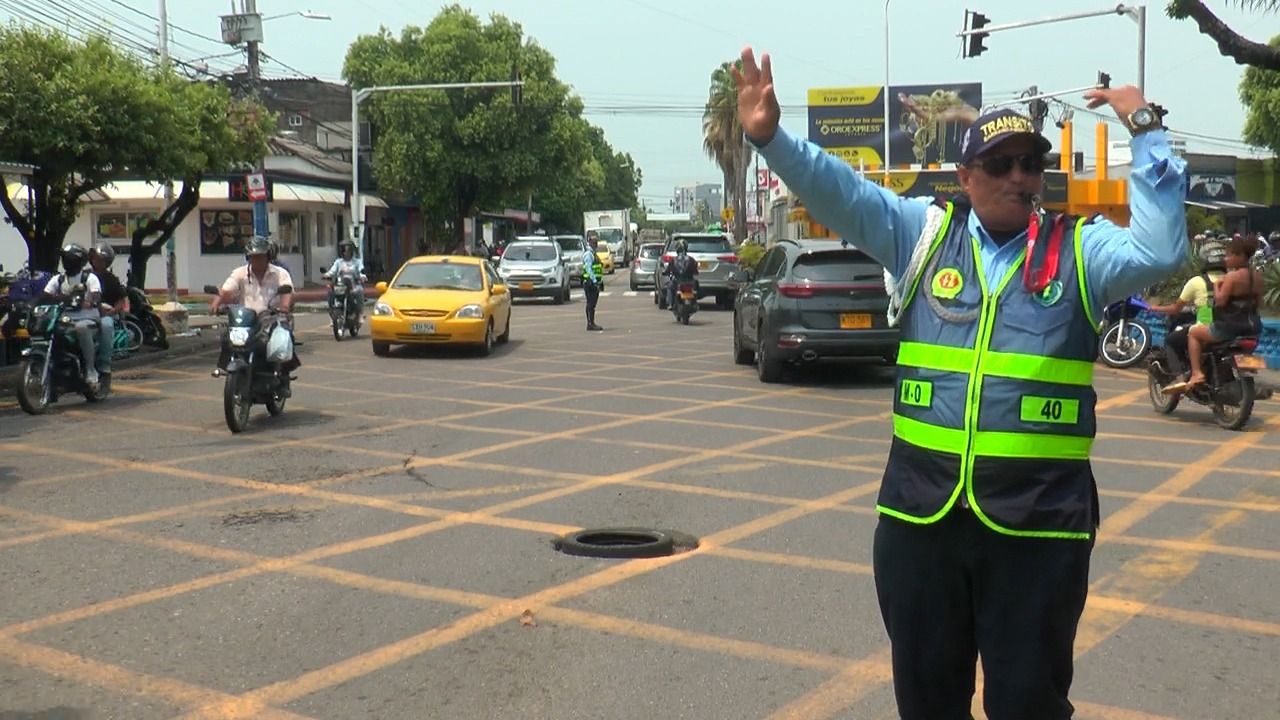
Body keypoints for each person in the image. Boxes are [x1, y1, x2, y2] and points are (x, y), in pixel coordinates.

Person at [733, 46, 1186, 719]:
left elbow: (1162, 248)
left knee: (1028, 704)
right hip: (922, 520)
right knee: (927, 701)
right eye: (1001, 164)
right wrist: (770, 137)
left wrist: (1144, 126)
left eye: (1032, 164)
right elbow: (842, 190)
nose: (1019, 177)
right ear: (967, 175)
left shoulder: (1081, 251)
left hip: (1037, 529)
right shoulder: (922, 236)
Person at [210, 237, 298, 386]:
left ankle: (281, 375)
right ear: (248, 257)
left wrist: (284, 307)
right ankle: (224, 367)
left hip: (272, 317)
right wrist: (217, 303)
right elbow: (227, 290)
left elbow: (287, 293)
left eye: (260, 256)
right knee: (227, 337)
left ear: (268, 256)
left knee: (280, 339)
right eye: (253, 257)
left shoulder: (280, 273)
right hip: (246, 319)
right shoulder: (239, 273)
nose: (257, 260)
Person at [1180, 234, 1263, 391]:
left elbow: (1220, 301)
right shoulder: (1257, 277)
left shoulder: (1231, 277)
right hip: (1253, 328)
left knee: (1193, 333)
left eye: (1229, 255)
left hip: (1228, 327)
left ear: (1240, 256)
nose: (1225, 259)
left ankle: (1197, 373)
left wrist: (1218, 285)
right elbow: (1259, 303)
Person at [1147, 238, 1226, 379]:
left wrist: (1154, 308)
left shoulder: (1197, 282)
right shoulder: (1233, 279)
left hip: (1208, 329)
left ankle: (1179, 377)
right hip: (1231, 328)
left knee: (1171, 341)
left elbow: (1175, 309)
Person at [40, 243, 103, 391]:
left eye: (70, 259)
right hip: (65, 320)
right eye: (65, 258)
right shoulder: (58, 279)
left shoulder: (90, 277)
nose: (66, 262)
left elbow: (96, 295)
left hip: (88, 319)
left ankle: (90, 370)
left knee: (81, 328)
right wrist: (28, 304)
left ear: (79, 262)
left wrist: (90, 301)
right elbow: (45, 296)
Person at [89, 243, 129, 384]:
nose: (96, 261)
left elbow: (120, 301)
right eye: (95, 258)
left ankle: (104, 365)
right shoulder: (85, 276)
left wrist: (111, 311)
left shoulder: (111, 280)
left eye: (100, 259)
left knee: (106, 326)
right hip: (87, 313)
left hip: (105, 315)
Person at [323, 240, 367, 312]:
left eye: (348, 250)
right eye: (344, 250)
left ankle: (360, 314)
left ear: (352, 251)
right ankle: (332, 313)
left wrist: (362, 276)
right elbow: (332, 271)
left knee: (360, 291)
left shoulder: (357, 262)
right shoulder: (338, 262)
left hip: (354, 285)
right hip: (340, 286)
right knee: (330, 292)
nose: (346, 252)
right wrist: (327, 275)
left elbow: (361, 271)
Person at [664, 239, 699, 309]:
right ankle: (695, 302)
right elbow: (696, 272)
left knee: (669, 286)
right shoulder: (691, 260)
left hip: (678, 281)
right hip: (690, 281)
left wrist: (665, 273)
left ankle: (670, 304)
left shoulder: (673, 260)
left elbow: (667, 271)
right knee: (696, 285)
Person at [582, 236, 604, 331]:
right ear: (590, 243)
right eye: (594, 242)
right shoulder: (588, 254)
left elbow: (598, 268)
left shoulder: (593, 254)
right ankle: (590, 324)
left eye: (596, 242)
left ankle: (591, 323)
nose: (596, 244)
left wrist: (600, 282)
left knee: (592, 304)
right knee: (590, 304)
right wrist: (594, 281)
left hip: (594, 282)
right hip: (590, 283)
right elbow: (588, 268)